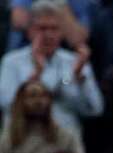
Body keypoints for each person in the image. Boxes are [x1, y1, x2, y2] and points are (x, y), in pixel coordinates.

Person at [0, 1, 103, 137]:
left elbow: (95, 109)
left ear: (62, 32)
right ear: (30, 31)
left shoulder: (75, 61)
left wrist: (79, 79)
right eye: (42, 28)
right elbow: (7, 104)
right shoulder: (12, 61)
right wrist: (35, 77)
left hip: (65, 147)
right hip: (23, 145)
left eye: (54, 29)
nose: (48, 35)